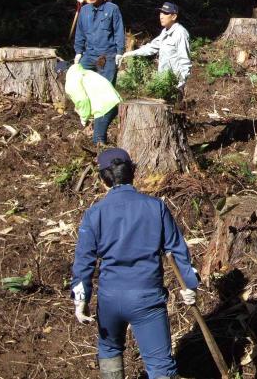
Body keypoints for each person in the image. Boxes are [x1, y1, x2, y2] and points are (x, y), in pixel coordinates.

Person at [71, 148, 199, 379]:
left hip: (110, 299)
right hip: (146, 298)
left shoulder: (94, 214)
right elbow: (176, 249)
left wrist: (81, 299)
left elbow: (84, 261)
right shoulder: (155, 207)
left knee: (109, 349)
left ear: (103, 179)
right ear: (133, 172)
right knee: (160, 367)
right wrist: (189, 285)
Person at [121, 2, 192, 91]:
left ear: (174, 17)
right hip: (163, 83)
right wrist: (130, 53)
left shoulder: (180, 33)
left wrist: (179, 85)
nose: (161, 16)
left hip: (174, 85)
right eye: (161, 13)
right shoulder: (165, 32)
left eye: (165, 13)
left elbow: (185, 61)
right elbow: (151, 47)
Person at [74, 0, 125, 85]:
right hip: (89, 55)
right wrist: (78, 52)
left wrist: (120, 52)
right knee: (80, 83)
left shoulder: (112, 9)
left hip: (107, 56)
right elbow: (80, 33)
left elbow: (119, 32)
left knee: (106, 88)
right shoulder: (84, 10)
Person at [65, 63, 122, 146]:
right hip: (113, 102)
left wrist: (84, 119)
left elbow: (82, 100)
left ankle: (104, 156)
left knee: (98, 140)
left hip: (103, 107)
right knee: (101, 133)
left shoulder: (71, 81)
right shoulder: (84, 72)